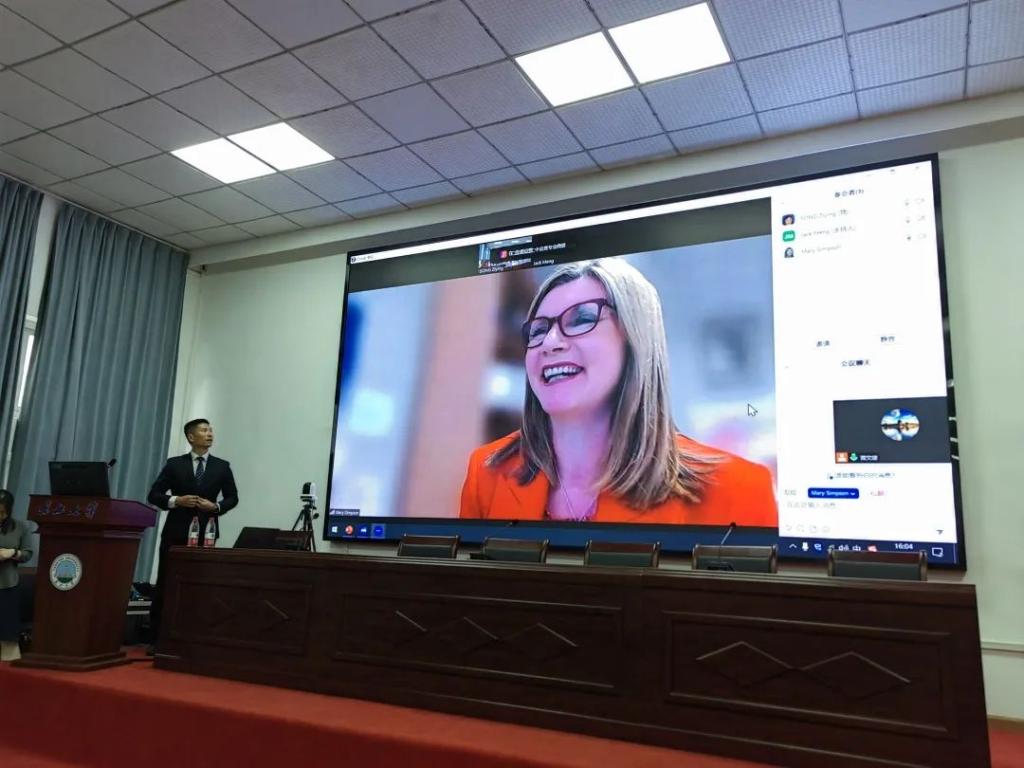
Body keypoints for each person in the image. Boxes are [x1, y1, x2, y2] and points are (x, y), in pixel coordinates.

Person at [460, 259, 777, 527]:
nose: (550, 342)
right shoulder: (486, 472)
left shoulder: (740, 490)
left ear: (635, 339)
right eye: (538, 330)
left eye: (582, 319)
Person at [147, 419, 238, 648]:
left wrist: (216, 507)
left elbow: (232, 497)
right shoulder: (174, 464)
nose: (210, 434)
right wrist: (177, 500)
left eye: (211, 430)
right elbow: (154, 495)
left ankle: (194, 636)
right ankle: (157, 639)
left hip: (207, 532)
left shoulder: (222, 466)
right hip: (176, 531)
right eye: (204, 430)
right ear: (191, 437)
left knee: (200, 582)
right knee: (167, 581)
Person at [0, 489, 33, 662]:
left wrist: (13, 553)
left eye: (2, 512)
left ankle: (7, 658)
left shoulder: (20, 527)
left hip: (7, 582)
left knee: (7, 624)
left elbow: (28, 553)